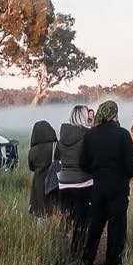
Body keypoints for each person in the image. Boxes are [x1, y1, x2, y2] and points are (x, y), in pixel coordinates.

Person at [79, 100, 133, 265]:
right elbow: (132, 165)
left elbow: (83, 163)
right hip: (118, 190)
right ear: (114, 115)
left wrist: (97, 172)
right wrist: (123, 176)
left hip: (97, 189)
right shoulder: (122, 134)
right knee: (116, 231)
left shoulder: (90, 135)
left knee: (94, 228)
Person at [55, 103, 95, 254]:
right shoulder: (88, 136)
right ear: (84, 117)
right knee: (81, 222)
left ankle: (61, 251)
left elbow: (58, 157)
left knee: (65, 220)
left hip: (64, 184)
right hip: (83, 183)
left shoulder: (63, 135)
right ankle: (76, 253)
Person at [26, 119, 58, 220]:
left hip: (38, 183)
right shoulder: (55, 146)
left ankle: (40, 233)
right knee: (54, 208)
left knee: (40, 211)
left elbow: (31, 168)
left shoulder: (32, 151)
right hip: (53, 182)